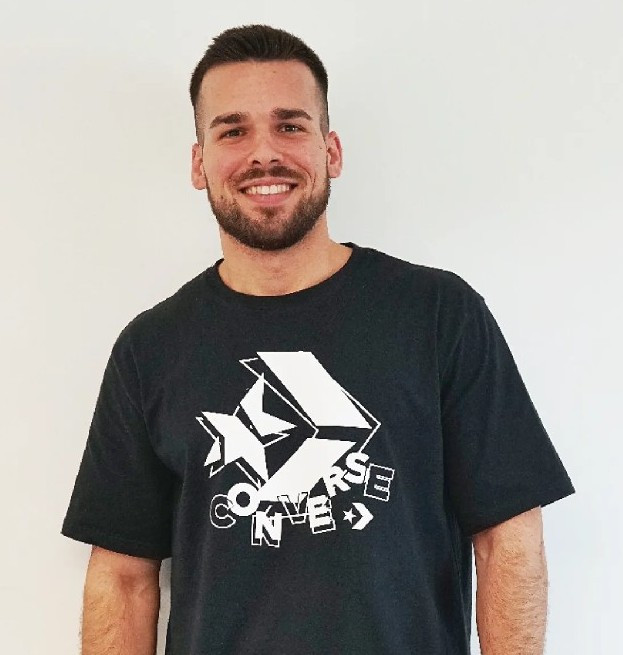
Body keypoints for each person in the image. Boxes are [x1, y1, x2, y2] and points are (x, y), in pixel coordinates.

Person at [61, 24, 575, 655]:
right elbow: (122, 577)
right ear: (199, 163)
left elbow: (509, 537)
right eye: (233, 131)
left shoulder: (438, 314)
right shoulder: (150, 349)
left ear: (331, 151)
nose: (264, 154)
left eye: (290, 126)